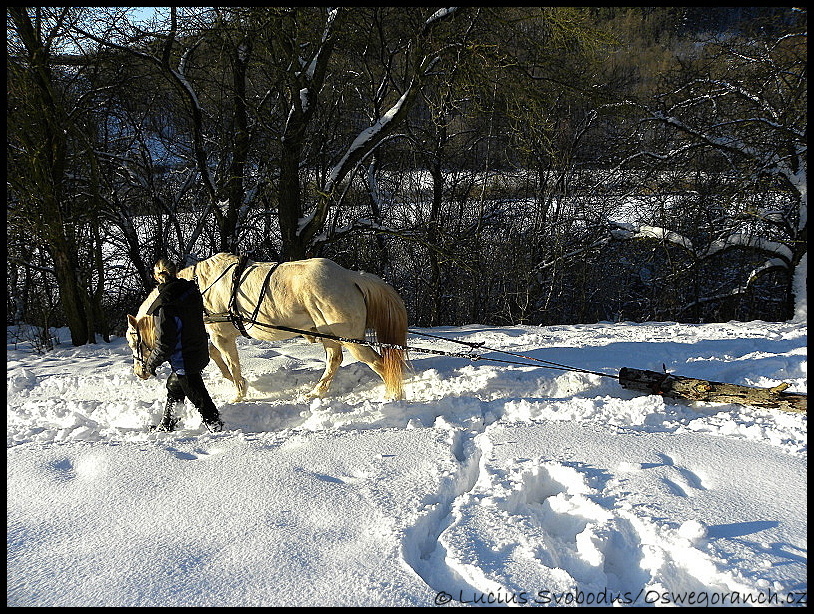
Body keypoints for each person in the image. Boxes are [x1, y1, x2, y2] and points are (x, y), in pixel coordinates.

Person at [144, 258, 224, 432]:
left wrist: (151, 363)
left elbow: (165, 343)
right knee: (174, 386)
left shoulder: (165, 305)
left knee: (198, 395)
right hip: (198, 350)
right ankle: (168, 423)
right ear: (175, 272)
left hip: (184, 359)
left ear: (157, 277)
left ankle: (215, 425)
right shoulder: (190, 291)